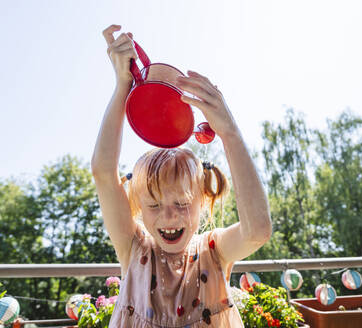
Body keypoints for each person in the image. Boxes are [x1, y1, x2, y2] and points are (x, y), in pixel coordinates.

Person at [91, 24, 272, 327]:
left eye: (182, 202)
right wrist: (123, 85)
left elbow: (257, 231)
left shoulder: (214, 252)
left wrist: (229, 132)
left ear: (202, 200)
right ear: (137, 207)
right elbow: (103, 173)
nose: (169, 216)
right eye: (154, 205)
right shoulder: (133, 246)